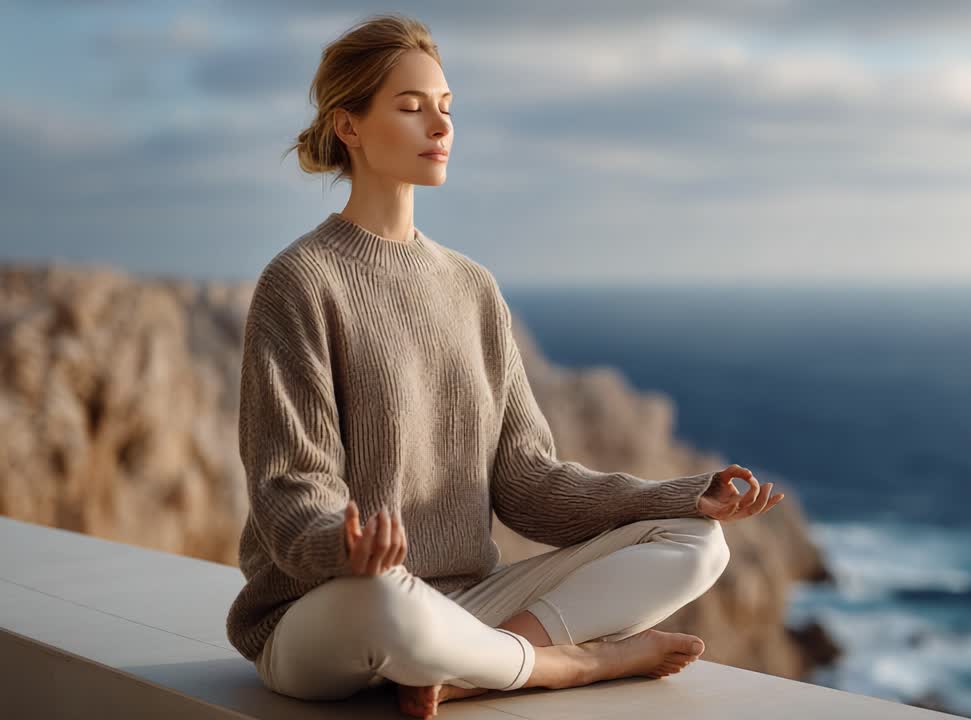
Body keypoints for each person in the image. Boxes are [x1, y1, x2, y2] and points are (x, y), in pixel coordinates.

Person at [224, 13, 785, 719]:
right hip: (337, 609)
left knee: (699, 545)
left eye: (447, 107)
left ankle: (472, 669)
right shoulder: (300, 282)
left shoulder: (473, 289)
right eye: (411, 106)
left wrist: (679, 498)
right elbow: (288, 486)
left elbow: (527, 483)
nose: (440, 126)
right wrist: (345, 544)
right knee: (384, 603)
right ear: (350, 127)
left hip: (466, 606)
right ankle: (562, 665)